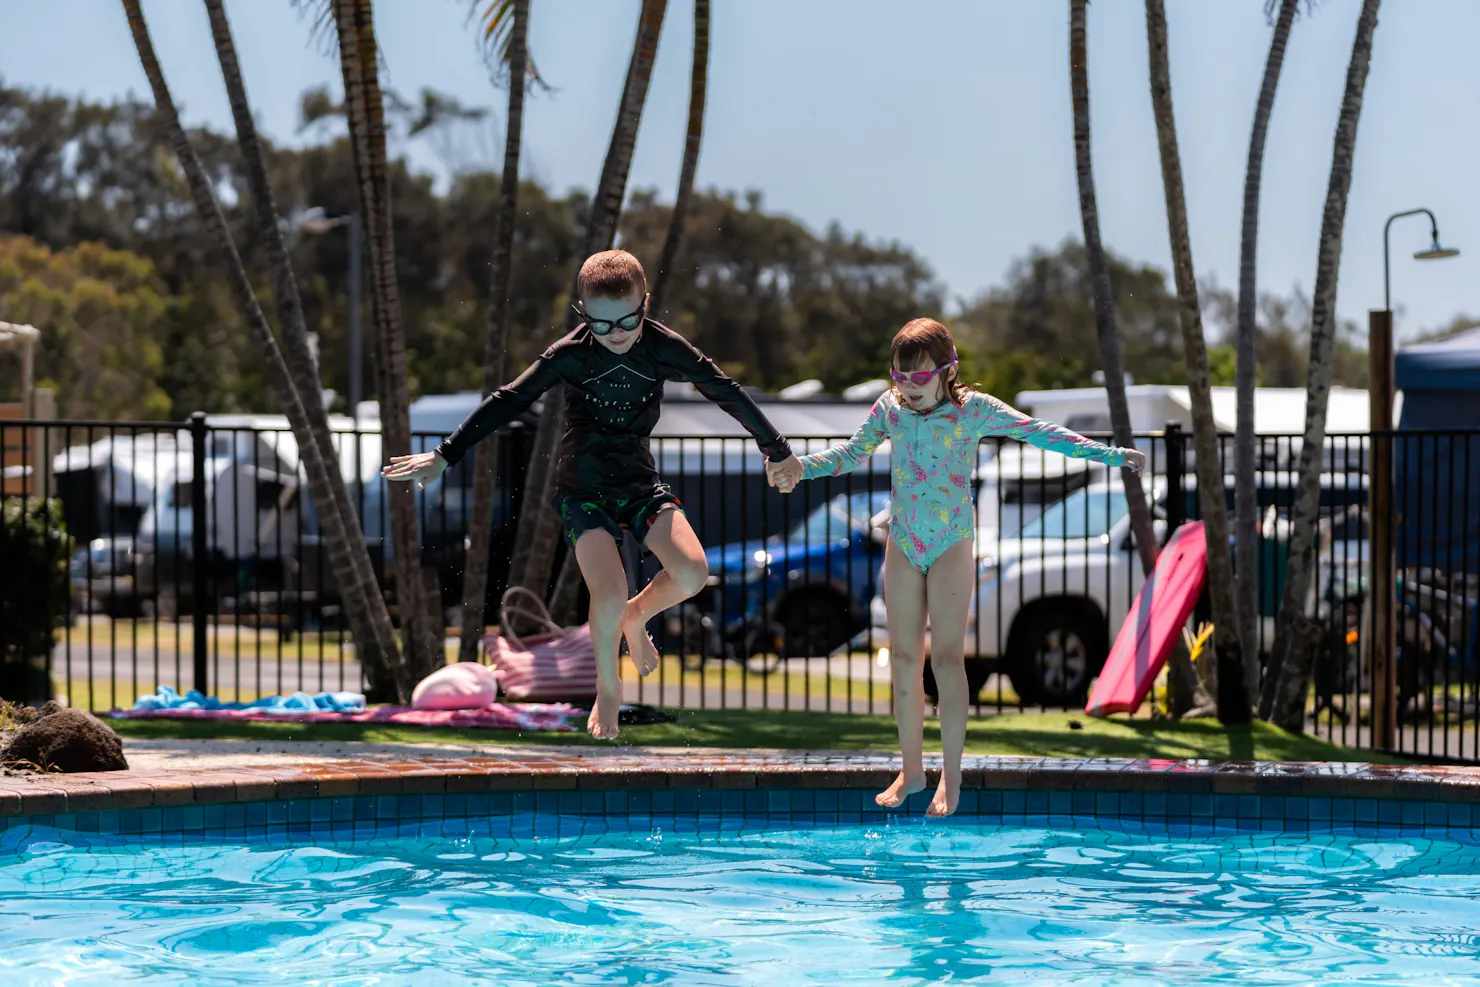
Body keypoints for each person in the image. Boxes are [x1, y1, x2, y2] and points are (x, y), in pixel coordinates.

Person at [383, 250, 801, 739]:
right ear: (582, 313)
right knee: (608, 586)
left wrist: (777, 449)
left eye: (628, 320)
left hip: (639, 481)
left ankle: (635, 615)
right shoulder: (570, 354)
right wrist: (445, 455)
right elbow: (508, 400)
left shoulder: (664, 347)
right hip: (583, 487)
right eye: (602, 326)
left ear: (645, 303)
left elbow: (724, 389)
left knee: (691, 572)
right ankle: (608, 687)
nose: (618, 334)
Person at [767, 319, 1144, 816]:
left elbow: (1041, 433)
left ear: (949, 371)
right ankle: (911, 768)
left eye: (920, 378)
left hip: (949, 544)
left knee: (945, 659)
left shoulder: (974, 411)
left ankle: (952, 774)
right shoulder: (890, 410)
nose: (909, 388)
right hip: (903, 540)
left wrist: (1108, 454)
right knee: (904, 658)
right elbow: (851, 454)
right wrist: (802, 466)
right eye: (899, 378)